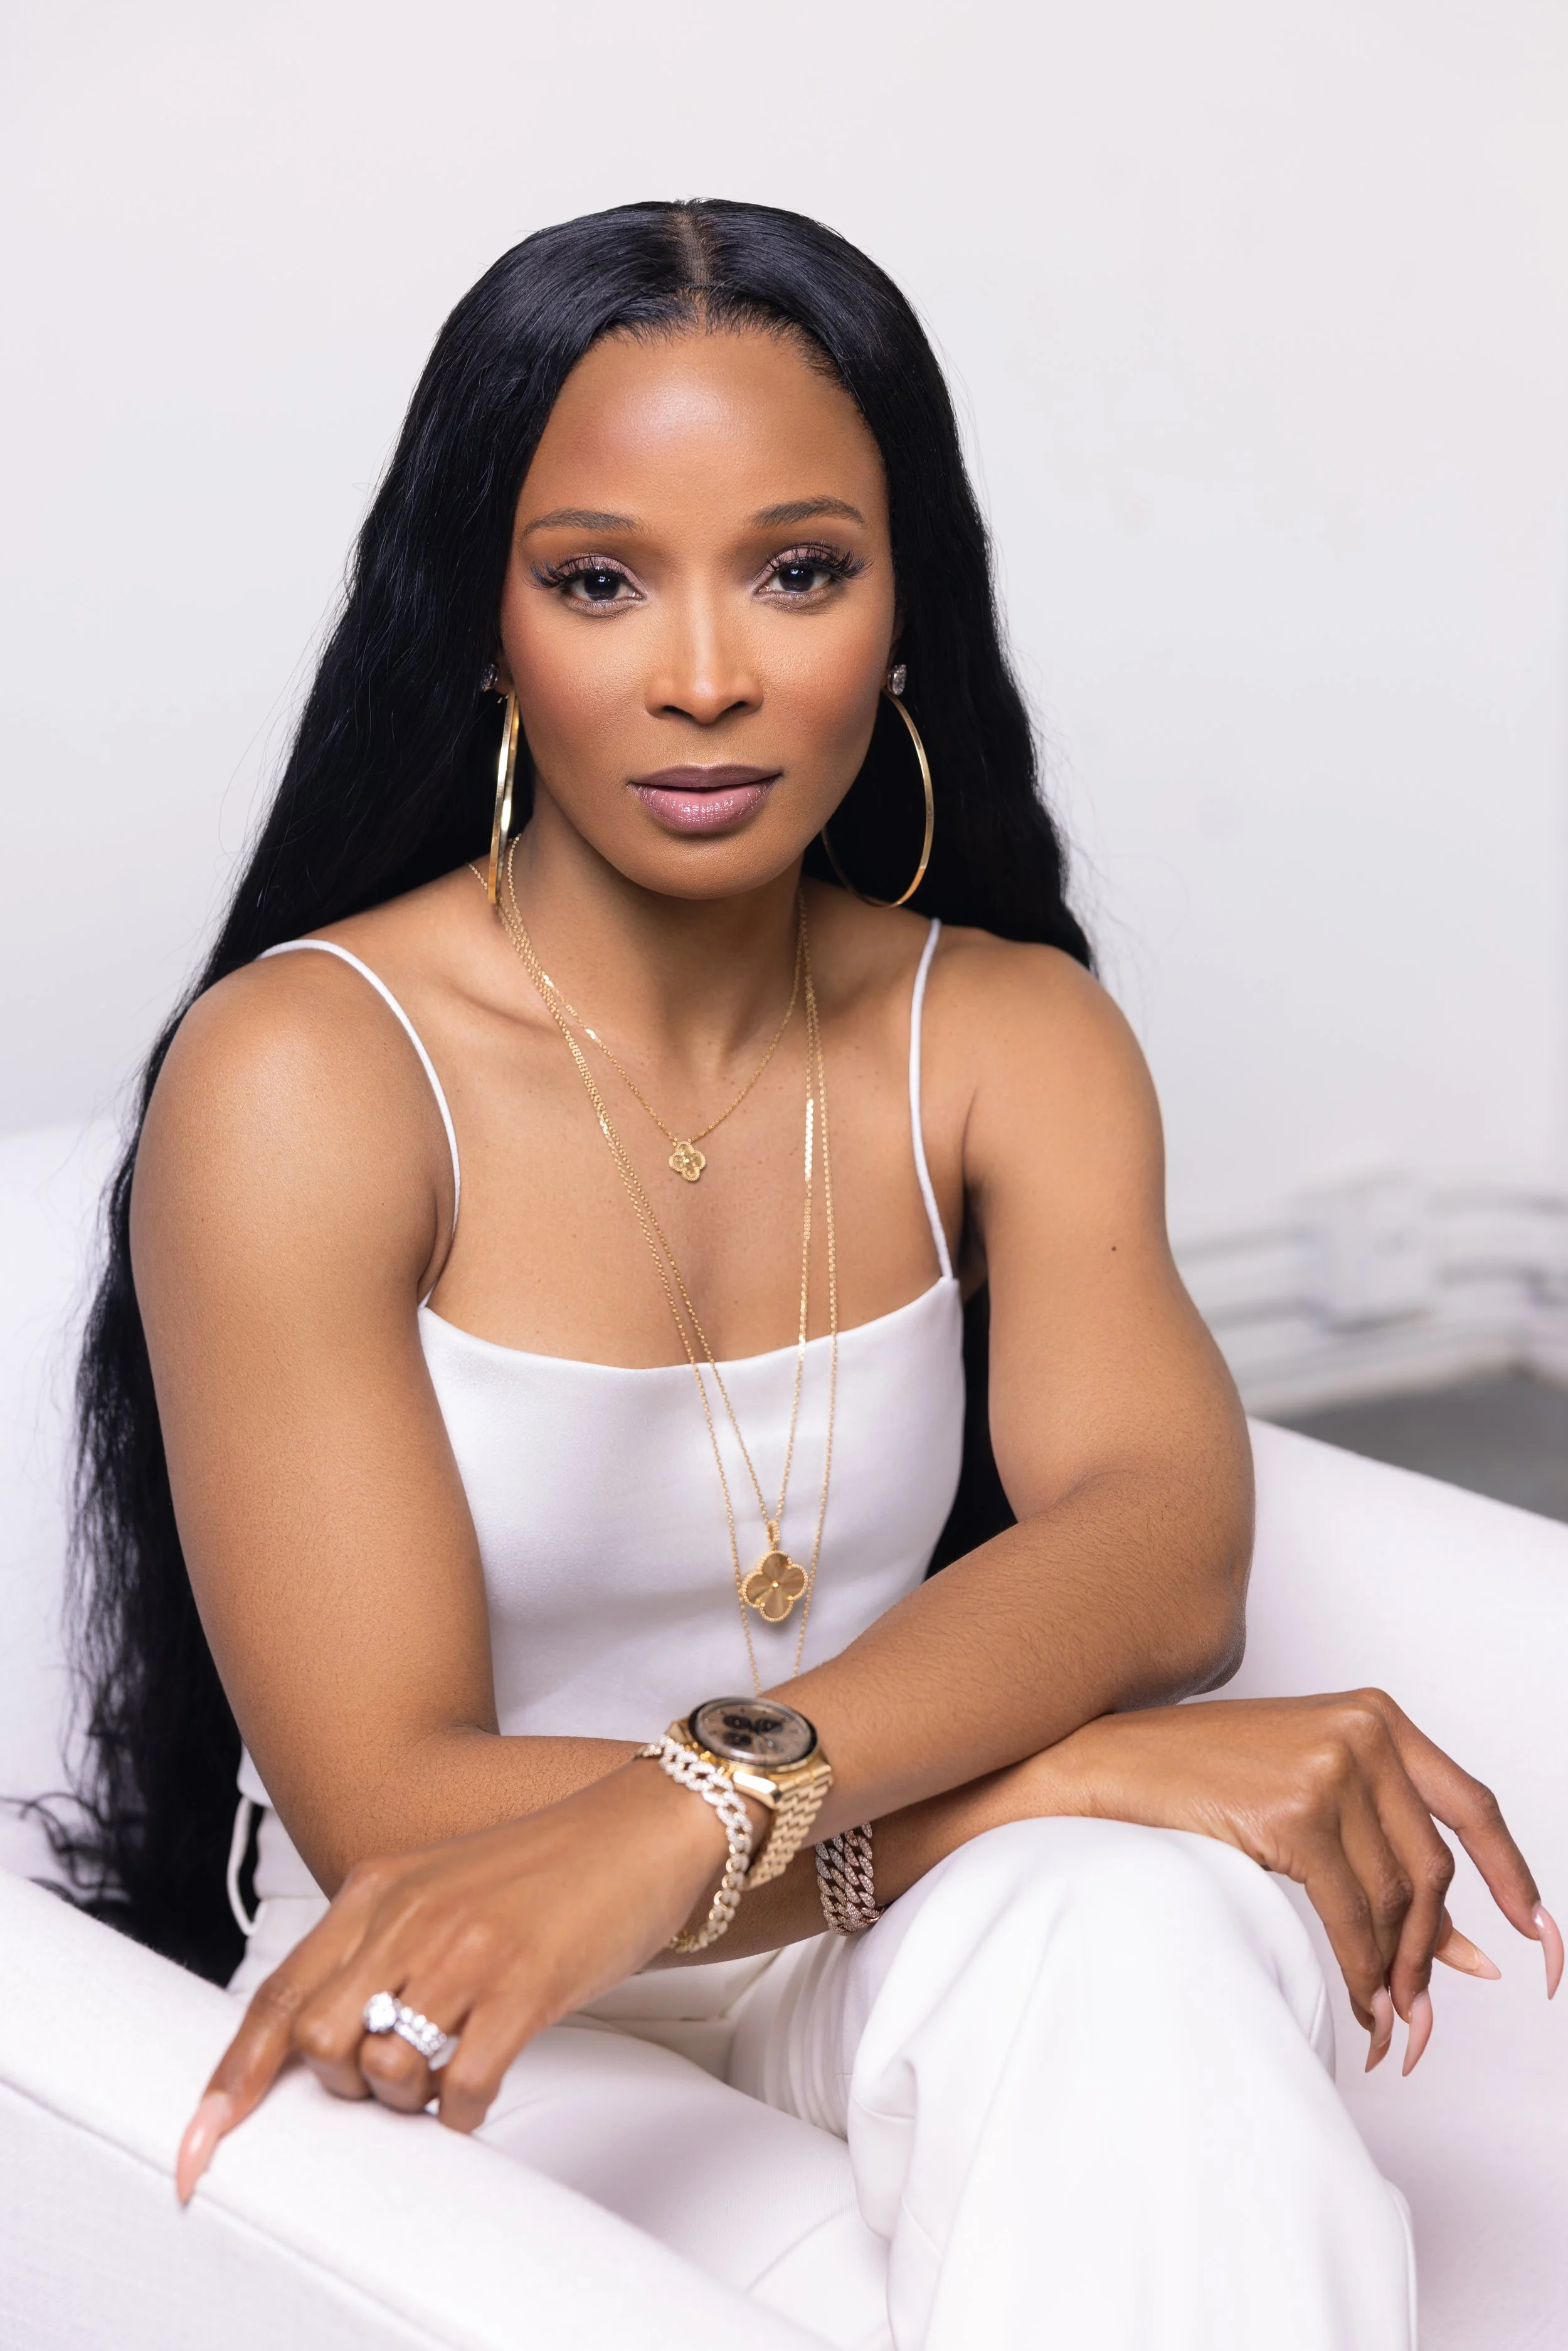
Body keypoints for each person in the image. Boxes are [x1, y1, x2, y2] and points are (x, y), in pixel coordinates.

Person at [71, 201, 1557, 2351]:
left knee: (1135, 1939)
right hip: (464, 1979)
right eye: (598, 579)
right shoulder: (306, 1072)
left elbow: (1160, 1547)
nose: (704, 672)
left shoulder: (1008, 1032)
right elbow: (389, 1804)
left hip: (853, 1922)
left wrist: (741, 1822)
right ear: (480, 621)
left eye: (796, 570)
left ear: (901, 601)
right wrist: (1044, 1768)